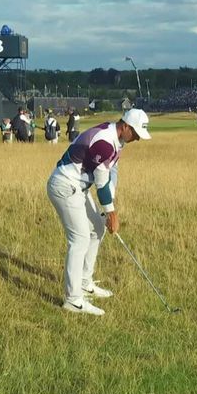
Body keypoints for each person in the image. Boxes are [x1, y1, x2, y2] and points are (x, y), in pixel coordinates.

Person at [47, 108, 151, 316]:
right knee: (80, 239)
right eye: (136, 134)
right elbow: (101, 183)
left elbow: (111, 173)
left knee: (96, 229)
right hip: (65, 186)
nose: (137, 139)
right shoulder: (104, 141)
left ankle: (85, 283)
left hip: (79, 187)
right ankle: (73, 299)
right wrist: (111, 213)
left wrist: (108, 210)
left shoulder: (117, 139)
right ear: (126, 127)